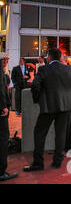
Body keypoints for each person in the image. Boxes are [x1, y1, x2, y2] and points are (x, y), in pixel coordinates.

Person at [24, 48, 71, 172]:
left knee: (40, 132)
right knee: (61, 133)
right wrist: (68, 94)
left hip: (48, 106)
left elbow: (35, 85)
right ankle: (57, 161)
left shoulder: (43, 69)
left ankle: (38, 163)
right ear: (60, 57)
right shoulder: (68, 68)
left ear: (49, 57)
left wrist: (37, 100)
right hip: (66, 106)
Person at [0, 54, 18, 182]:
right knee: (3, 138)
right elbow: (1, 90)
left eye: (7, 60)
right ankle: (1, 171)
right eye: (3, 60)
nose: (6, 61)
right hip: (1, 111)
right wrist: (3, 107)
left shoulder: (4, 73)